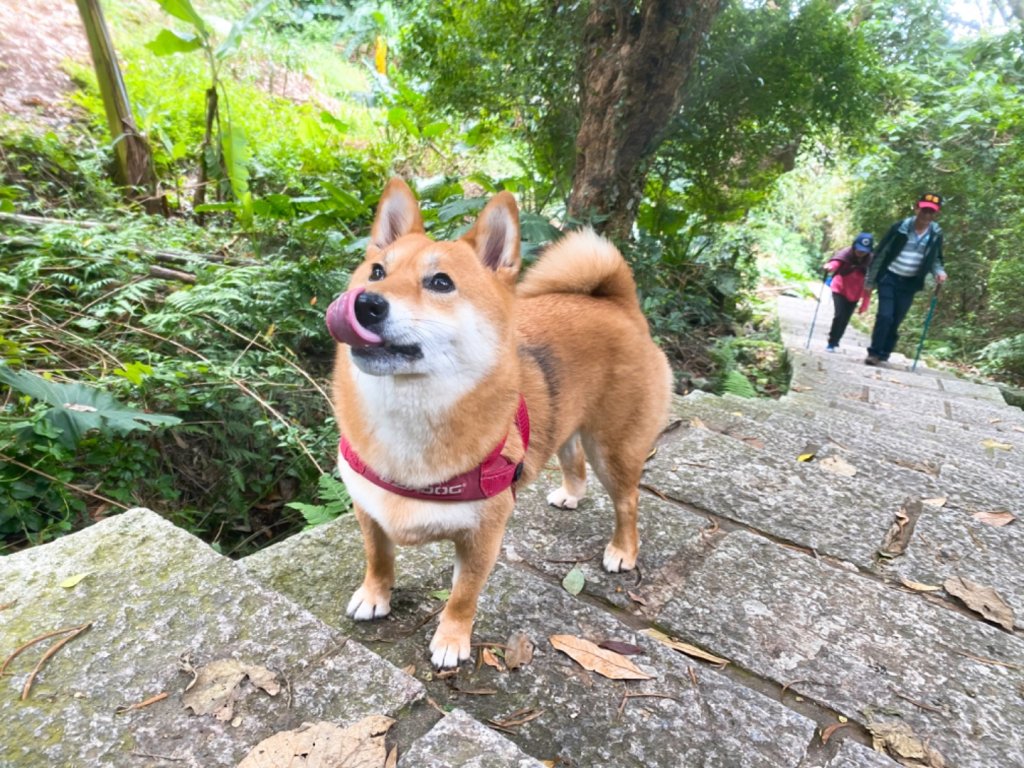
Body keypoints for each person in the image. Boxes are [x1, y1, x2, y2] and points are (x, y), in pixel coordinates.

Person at [864, 193, 947, 366]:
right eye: (924, 210)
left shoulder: (936, 234)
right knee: (885, 316)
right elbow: (881, 253)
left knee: (896, 319)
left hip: (911, 282)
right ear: (917, 208)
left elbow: (936, 259)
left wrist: (939, 272)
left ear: (935, 215)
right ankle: (874, 353)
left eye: (931, 212)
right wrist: (870, 281)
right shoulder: (900, 228)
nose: (926, 215)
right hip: (889, 277)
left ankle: (885, 351)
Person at [823, 232, 873, 351]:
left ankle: (836, 341)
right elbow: (836, 262)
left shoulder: (871, 261)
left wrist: (864, 304)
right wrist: (830, 266)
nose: (861, 253)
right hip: (839, 287)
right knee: (839, 315)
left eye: (864, 250)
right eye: (859, 249)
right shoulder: (846, 253)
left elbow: (869, 285)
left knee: (845, 318)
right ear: (855, 245)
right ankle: (831, 342)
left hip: (855, 293)